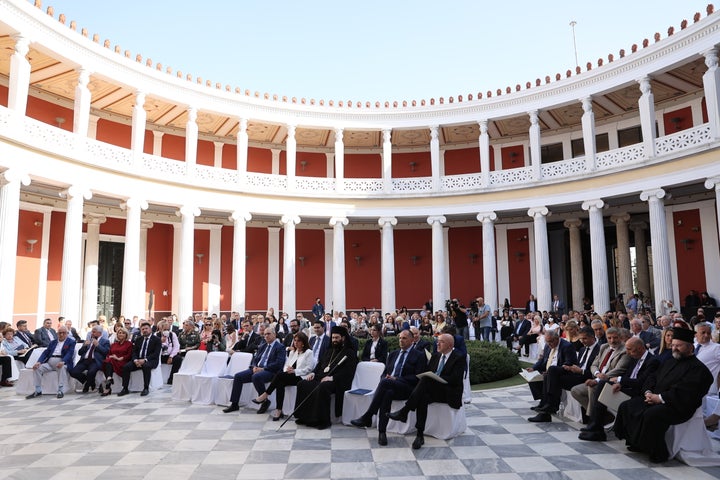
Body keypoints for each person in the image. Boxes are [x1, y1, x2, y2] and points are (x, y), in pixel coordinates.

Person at [614, 327, 713, 463]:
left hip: (678, 406)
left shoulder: (698, 369)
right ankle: (637, 443)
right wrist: (648, 392)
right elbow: (652, 378)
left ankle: (659, 452)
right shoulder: (670, 361)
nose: (674, 348)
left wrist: (660, 398)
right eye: (673, 345)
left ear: (690, 347)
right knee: (627, 406)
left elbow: (685, 392)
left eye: (678, 346)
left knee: (652, 415)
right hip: (656, 398)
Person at [350, 329, 428, 444]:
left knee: (386, 383)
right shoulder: (393, 354)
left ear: (412, 340)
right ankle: (382, 432)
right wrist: (386, 379)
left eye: (404, 338)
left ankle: (368, 416)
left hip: (408, 389)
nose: (401, 340)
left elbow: (417, 377)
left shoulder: (419, 355)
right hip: (391, 387)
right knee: (386, 392)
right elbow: (384, 374)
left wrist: (396, 379)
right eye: (400, 338)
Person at [387, 333, 464, 449]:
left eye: (441, 342)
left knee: (426, 381)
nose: (437, 343)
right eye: (437, 341)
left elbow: (455, 379)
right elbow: (428, 372)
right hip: (435, 391)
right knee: (422, 396)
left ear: (450, 345)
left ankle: (405, 411)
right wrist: (432, 377)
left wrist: (437, 379)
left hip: (449, 391)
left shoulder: (459, 357)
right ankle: (419, 435)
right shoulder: (435, 356)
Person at [578, 336, 660, 441]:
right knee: (603, 384)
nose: (628, 352)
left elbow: (641, 382)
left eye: (630, 349)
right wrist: (620, 384)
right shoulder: (635, 358)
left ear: (640, 348)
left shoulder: (652, 361)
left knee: (604, 385)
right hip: (629, 387)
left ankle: (596, 426)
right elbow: (629, 375)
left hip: (638, 393)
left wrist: (620, 380)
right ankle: (596, 426)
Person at [293, 326, 358, 429]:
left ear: (343, 338)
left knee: (323, 387)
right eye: (333, 338)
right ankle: (304, 417)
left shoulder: (349, 353)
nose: (334, 340)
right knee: (302, 384)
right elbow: (319, 365)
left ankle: (322, 420)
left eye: (337, 338)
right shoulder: (329, 351)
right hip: (321, 377)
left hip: (338, 381)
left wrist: (332, 378)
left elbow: (348, 372)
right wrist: (313, 373)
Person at [529, 326, 600, 417]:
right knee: (548, 375)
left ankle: (551, 405)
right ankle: (548, 405)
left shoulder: (599, 350)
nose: (582, 341)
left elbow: (591, 369)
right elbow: (577, 364)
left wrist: (579, 370)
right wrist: (572, 368)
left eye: (584, 338)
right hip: (575, 374)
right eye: (581, 339)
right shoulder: (583, 349)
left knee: (552, 371)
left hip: (586, 377)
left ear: (592, 337)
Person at [252, 332, 316, 421]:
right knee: (280, 383)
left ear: (303, 342)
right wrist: (288, 369)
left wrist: (294, 371)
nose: (296, 343)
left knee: (279, 375)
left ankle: (265, 395)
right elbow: (286, 365)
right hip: (289, 375)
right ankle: (279, 410)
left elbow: (309, 369)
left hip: (301, 376)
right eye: (295, 341)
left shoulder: (309, 352)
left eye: (298, 341)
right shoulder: (293, 352)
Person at [570, 327, 631, 420]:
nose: (612, 340)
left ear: (620, 337)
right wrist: (597, 373)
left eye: (615, 337)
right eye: (609, 338)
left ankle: (594, 420)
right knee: (575, 390)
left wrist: (598, 379)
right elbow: (594, 365)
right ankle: (604, 416)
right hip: (598, 377)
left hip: (611, 381)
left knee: (593, 387)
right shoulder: (604, 347)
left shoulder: (625, 350)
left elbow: (619, 369)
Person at [222, 326, 286, 414]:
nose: (266, 336)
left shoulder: (280, 347)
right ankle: (234, 404)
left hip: (270, 371)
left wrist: (263, 369)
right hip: (257, 369)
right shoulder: (263, 346)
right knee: (238, 376)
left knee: (256, 377)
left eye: (268, 334)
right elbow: (255, 359)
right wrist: (254, 367)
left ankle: (264, 401)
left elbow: (279, 363)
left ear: (274, 335)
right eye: (265, 334)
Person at [525, 329, 579, 422]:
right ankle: (543, 403)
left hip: (563, 372)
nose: (549, 344)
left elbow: (569, 363)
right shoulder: (547, 346)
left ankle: (550, 405)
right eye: (547, 342)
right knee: (533, 375)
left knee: (550, 372)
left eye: (550, 342)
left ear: (557, 339)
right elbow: (542, 360)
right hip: (549, 370)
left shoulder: (567, 346)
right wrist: (534, 368)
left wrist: (551, 371)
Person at [26, 326, 76, 399]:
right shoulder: (53, 342)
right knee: (37, 368)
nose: (61, 335)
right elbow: (45, 353)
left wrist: (63, 361)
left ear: (67, 334)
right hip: (50, 362)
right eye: (60, 333)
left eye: (63, 333)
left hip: (62, 362)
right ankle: (38, 390)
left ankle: (60, 390)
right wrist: (39, 362)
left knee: (61, 368)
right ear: (57, 334)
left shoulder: (71, 342)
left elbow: (70, 353)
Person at [117, 321, 161, 397]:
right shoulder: (138, 339)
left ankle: (146, 388)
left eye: (146, 328)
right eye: (143, 329)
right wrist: (135, 360)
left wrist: (145, 360)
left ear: (150, 329)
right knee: (126, 367)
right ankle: (125, 388)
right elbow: (134, 352)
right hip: (138, 360)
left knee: (146, 366)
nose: (144, 330)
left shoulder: (156, 339)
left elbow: (156, 354)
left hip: (150, 360)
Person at [69, 325, 110, 393]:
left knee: (91, 372)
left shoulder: (105, 341)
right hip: (85, 360)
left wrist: (98, 345)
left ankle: (88, 385)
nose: (92, 333)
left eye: (94, 332)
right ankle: (87, 382)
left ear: (99, 333)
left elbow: (106, 352)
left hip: (95, 361)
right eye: (92, 332)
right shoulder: (88, 340)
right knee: (73, 372)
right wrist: (84, 346)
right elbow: (80, 353)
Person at [99, 327, 133, 396]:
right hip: (113, 361)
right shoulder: (114, 345)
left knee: (108, 362)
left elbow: (129, 355)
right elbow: (109, 354)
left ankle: (108, 387)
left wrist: (118, 358)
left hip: (123, 361)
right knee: (108, 361)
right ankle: (109, 379)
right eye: (119, 333)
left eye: (123, 333)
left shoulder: (129, 344)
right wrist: (111, 357)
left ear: (126, 335)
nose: (121, 334)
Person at [169, 319, 200, 384]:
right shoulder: (181, 334)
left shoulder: (196, 334)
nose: (184, 326)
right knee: (176, 358)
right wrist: (178, 350)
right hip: (182, 351)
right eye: (184, 325)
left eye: (186, 325)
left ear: (191, 326)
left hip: (192, 351)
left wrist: (190, 348)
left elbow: (197, 344)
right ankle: (172, 378)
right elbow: (177, 343)